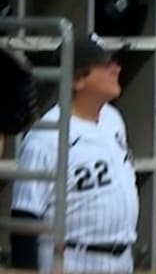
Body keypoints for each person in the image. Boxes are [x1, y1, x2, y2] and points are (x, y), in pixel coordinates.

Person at [10, 35, 137, 274]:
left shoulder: (113, 120)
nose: (116, 68)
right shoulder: (46, 136)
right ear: (78, 80)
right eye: (105, 64)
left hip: (122, 260)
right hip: (72, 260)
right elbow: (25, 217)